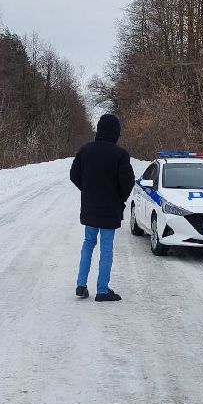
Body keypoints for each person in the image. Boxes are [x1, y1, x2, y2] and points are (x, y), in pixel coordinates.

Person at [69, 113, 135, 302]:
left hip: (90, 207)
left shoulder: (85, 150)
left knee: (88, 243)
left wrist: (88, 190)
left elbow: (74, 175)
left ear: (99, 130)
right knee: (106, 247)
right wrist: (119, 199)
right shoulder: (120, 154)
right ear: (115, 132)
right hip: (110, 209)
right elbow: (128, 182)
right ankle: (102, 290)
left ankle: (81, 285)